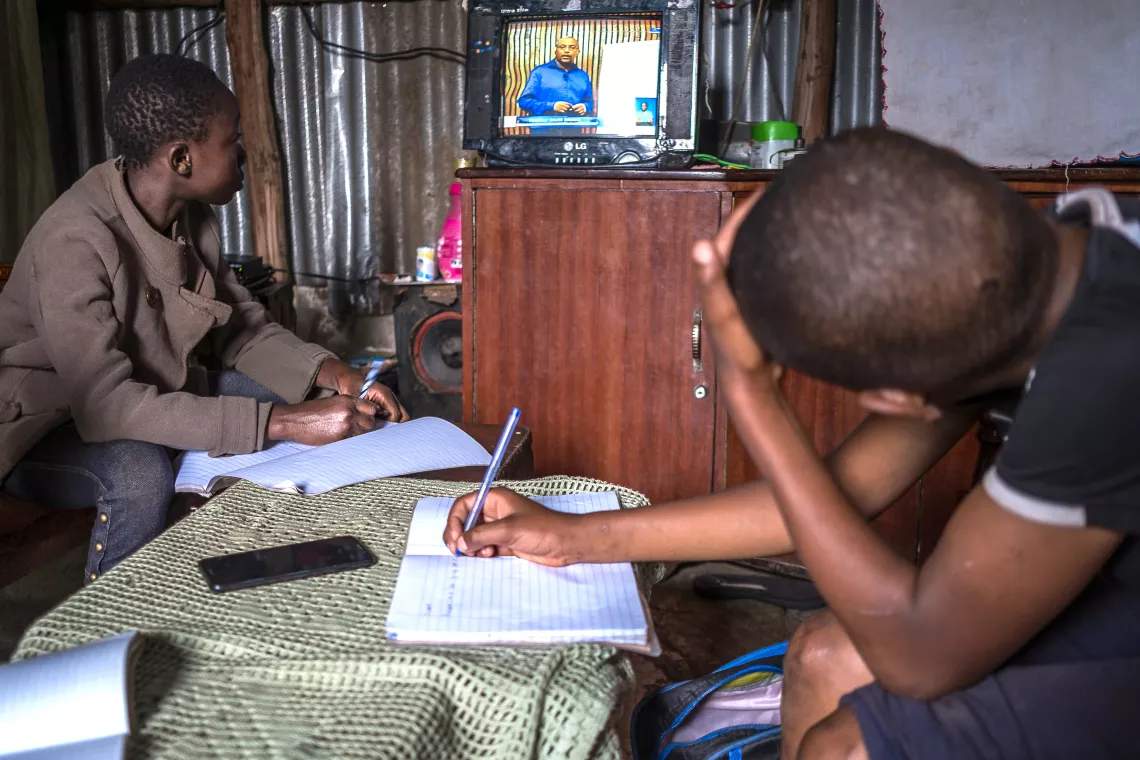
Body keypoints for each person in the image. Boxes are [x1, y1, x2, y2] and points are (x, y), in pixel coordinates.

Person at [444, 127, 1140, 759]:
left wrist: (753, 395)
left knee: (846, 748)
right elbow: (839, 495)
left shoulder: (1102, 374)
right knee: (822, 655)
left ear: (896, 401)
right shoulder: (1043, 252)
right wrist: (575, 537)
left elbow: (922, 656)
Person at [0, 54, 408, 584]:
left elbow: (242, 328)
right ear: (182, 160)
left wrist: (338, 374)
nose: (243, 154)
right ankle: (116, 620)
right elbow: (105, 408)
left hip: (152, 390)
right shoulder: (74, 241)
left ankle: (282, 545)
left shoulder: (189, 216)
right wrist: (282, 426)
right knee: (139, 472)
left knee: (285, 393)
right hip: (43, 427)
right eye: (230, 138)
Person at [517, 36, 594, 118]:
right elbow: (524, 102)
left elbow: (590, 102)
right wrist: (551, 106)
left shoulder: (583, 76)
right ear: (555, 50)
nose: (567, 51)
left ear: (577, 52)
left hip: (573, 128)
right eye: (562, 47)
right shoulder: (539, 72)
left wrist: (585, 107)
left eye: (572, 47)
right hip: (543, 128)